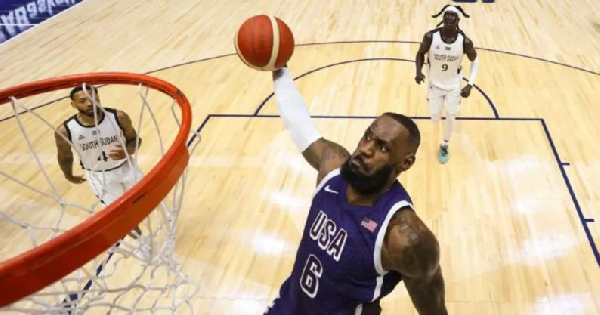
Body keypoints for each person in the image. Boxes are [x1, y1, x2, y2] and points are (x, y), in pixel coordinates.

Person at [262, 66, 448, 315]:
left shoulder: (405, 237)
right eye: (367, 137)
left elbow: (434, 309)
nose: (365, 149)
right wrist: (279, 68)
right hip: (288, 308)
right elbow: (300, 125)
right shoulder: (333, 169)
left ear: (405, 163)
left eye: (382, 147)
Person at [54, 85, 143, 237]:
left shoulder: (118, 117)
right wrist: (68, 174)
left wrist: (128, 151)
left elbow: (135, 140)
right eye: (83, 101)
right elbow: (65, 156)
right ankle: (143, 245)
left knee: (142, 205)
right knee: (121, 216)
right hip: (100, 177)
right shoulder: (65, 130)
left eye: (93, 98)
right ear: (73, 104)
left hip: (127, 167)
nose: (90, 103)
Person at [415, 4, 480, 164]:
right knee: (435, 118)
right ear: (442, 18)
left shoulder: (465, 42)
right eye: (447, 15)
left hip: (454, 86)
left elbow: (475, 60)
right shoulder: (430, 37)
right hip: (435, 84)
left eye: (453, 16)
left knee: (451, 117)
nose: (449, 18)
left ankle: (444, 144)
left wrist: (470, 84)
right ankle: (434, 102)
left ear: (458, 20)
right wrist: (418, 71)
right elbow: (420, 53)